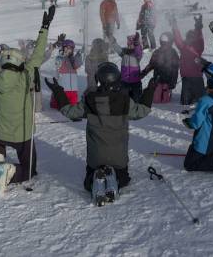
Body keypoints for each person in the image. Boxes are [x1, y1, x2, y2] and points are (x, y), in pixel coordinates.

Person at [0, 3, 54, 197]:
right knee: (30, 170)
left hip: (0, 131)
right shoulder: (26, 77)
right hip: (22, 133)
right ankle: (10, 172)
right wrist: (45, 27)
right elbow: (38, 55)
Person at [45, 62, 155, 205]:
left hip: (95, 157)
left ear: (98, 80)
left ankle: (94, 179)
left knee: (88, 179)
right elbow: (142, 111)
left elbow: (69, 111)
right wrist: (150, 89)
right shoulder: (124, 100)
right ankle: (116, 180)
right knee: (124, 179)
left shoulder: (90, 99)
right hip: (119, 158)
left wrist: (58, 91)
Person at [170, 14, 205, 105]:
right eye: (189, 37)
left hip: (197, 78)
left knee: (201, 100)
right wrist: (174, 25)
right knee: (185, 102)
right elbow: (177, 38)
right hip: (186, 78)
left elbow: (200, 39)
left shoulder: (198, 48)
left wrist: (198, 27)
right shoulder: (183, 47)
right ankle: (189, 99)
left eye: (192, 37)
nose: (190, 39)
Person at [140, 32, 179, 103]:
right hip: (158, 79)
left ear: (170, 43)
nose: (164, 45)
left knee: (165, 101)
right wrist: (143, 73)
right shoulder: (157, 52)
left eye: (166, 43)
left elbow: (175, 69)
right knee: (156, 100)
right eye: (163, 43)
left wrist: (173, 82)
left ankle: (168, 93)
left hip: (168, 81)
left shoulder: (173, 53)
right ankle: (157, 91)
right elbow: (151, 65)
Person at [50, 39, 83, 108]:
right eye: (66, 48)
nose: (68, 50)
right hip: (63, 89)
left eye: (70, 48)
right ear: (63, 48)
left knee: (73, 106)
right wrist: (62, 54)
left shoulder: (73, 59)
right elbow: (58, 65)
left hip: (73, 89)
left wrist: (79, 55)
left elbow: (77, 65)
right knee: (59, 106)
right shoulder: (59, 57)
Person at [112, 33, 143, 102]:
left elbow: (138, 52)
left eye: (132, 42)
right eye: (129, 42)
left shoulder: (137, 53)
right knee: (123, 100)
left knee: (136, 100)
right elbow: (117, 48)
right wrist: (112, 40)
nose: (130, 44)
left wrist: (137, 43)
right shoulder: (124, 52)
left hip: (135, 82)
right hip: (124, 82)